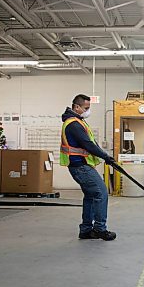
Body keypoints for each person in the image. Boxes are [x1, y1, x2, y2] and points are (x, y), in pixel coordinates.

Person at [60, 94, 116, 240]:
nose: (88, 111)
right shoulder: (73, 124)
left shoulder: (79, 121)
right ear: (76, 107)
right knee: (101, 193)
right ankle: (99, 229)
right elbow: (88, 144)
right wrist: (105, 156)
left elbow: (91, 142)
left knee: (91, 196)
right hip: (80, 166)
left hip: (82, 165)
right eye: (86, 108)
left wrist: (106, 157)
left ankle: (86, 230)